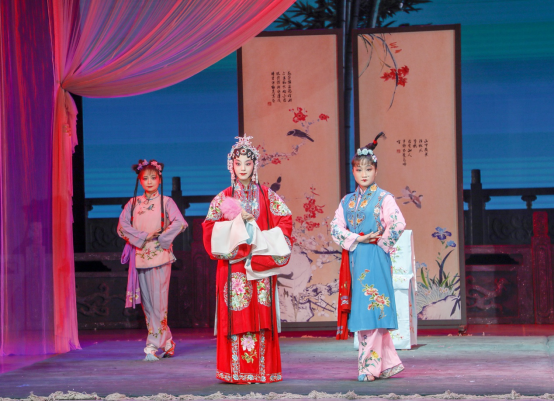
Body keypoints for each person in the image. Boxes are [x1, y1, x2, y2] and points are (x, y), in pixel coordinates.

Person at [202, 136, 293, 384]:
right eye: (238, 163)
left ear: (255, 165)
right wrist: (236, 226)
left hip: (260, 265)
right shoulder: (223, 198)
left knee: (261, 315)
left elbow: (285, 220)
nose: (242, 168)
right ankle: (235, 372)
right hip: (234, 268)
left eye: (247, 163)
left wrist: (264, 239)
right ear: (230, 165)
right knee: (237, 315)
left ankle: (263, 371)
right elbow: (209, 229)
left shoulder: (267, 196)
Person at [331, 133, 406, 381]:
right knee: (367, 312)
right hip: (355, 258)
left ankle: (369, 368)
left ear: (376, 171)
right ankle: (388, 364)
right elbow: (335, 228)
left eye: (368, 169)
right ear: (353, 171)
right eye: (359, 169)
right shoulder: (347, 201)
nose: (364, 174)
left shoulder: (384, 198)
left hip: (375, 257)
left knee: (373, 311)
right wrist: (357, 239)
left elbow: (397, 223)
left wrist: (380, 243)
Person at [118, 159, 187, 361]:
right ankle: (167, 342)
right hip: (140, 256)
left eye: (153, 178)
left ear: (159, 179)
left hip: (160, 255)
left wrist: (163, 238)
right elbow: (121, 227)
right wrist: (144, 236)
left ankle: (152, 344)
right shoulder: (133, 203)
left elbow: (180, 223)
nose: (149, 181)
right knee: (148, 304)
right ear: (140, 181)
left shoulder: (167, 202)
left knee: (159, 302)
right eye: (145, 178)